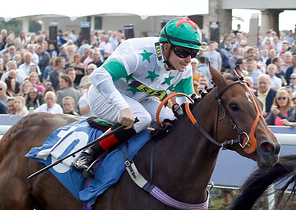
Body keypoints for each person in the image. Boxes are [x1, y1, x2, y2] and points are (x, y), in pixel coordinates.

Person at [73, 18, 202, 178]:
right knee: (142, 118)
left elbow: (188, 104)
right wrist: (122, 107)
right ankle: (89, 153)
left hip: (141, 99)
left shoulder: (184, 68)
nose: (188, 60)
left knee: (171, 120)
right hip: (104, 95)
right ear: (166, 46)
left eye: (193, 53)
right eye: (183, 52)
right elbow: (98, 75)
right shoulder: (139, 54)